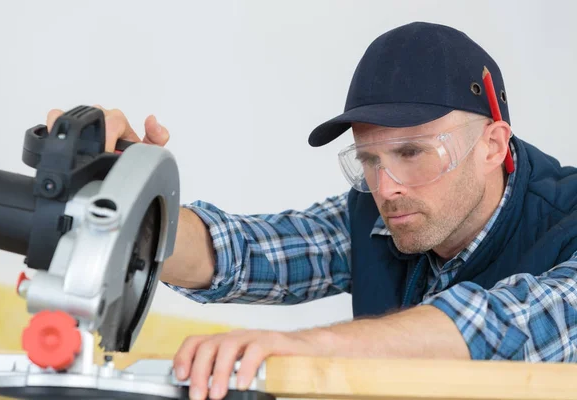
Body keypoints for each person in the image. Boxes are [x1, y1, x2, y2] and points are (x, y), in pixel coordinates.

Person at [47, 21, 577, 400]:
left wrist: (302, 349)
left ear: (492, 144)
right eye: (368, 159)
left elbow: (505, 327)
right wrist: (127, 203)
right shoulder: (382, 212)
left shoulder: (568, 221)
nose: (387, 187)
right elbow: (245, 252)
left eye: (414, 153)